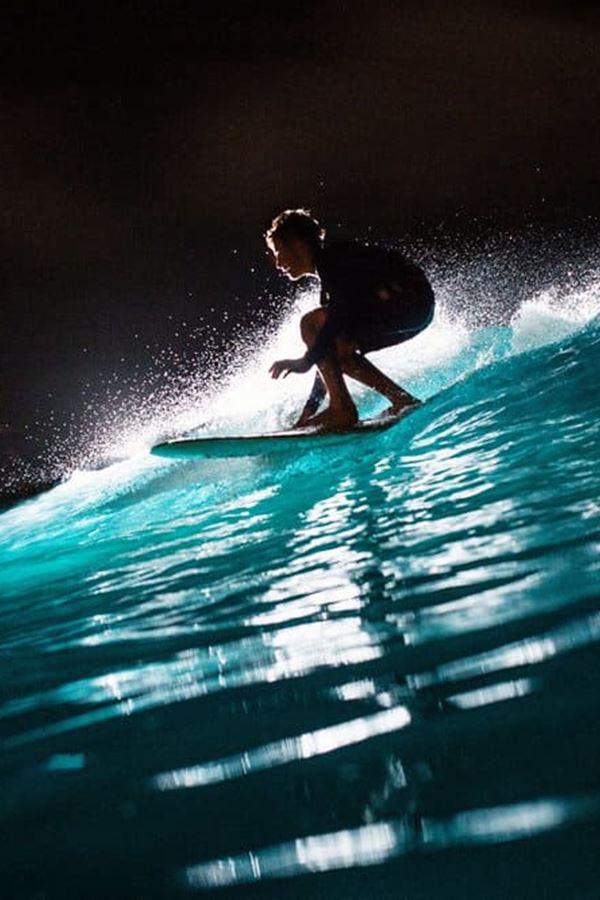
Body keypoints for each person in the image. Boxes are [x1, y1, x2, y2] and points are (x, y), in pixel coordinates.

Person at [266, 208, 435, 430]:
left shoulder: (333, 259)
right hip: (416, 311)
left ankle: (341, 410)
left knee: (311, 324)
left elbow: (339, 313)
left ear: (298, 245)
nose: (277, 263)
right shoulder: (330, 275)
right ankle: (401, 400)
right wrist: (307, 414)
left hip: (408, 301)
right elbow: (328, 359)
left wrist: (306, 361)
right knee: (334, 347)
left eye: (278, 251)